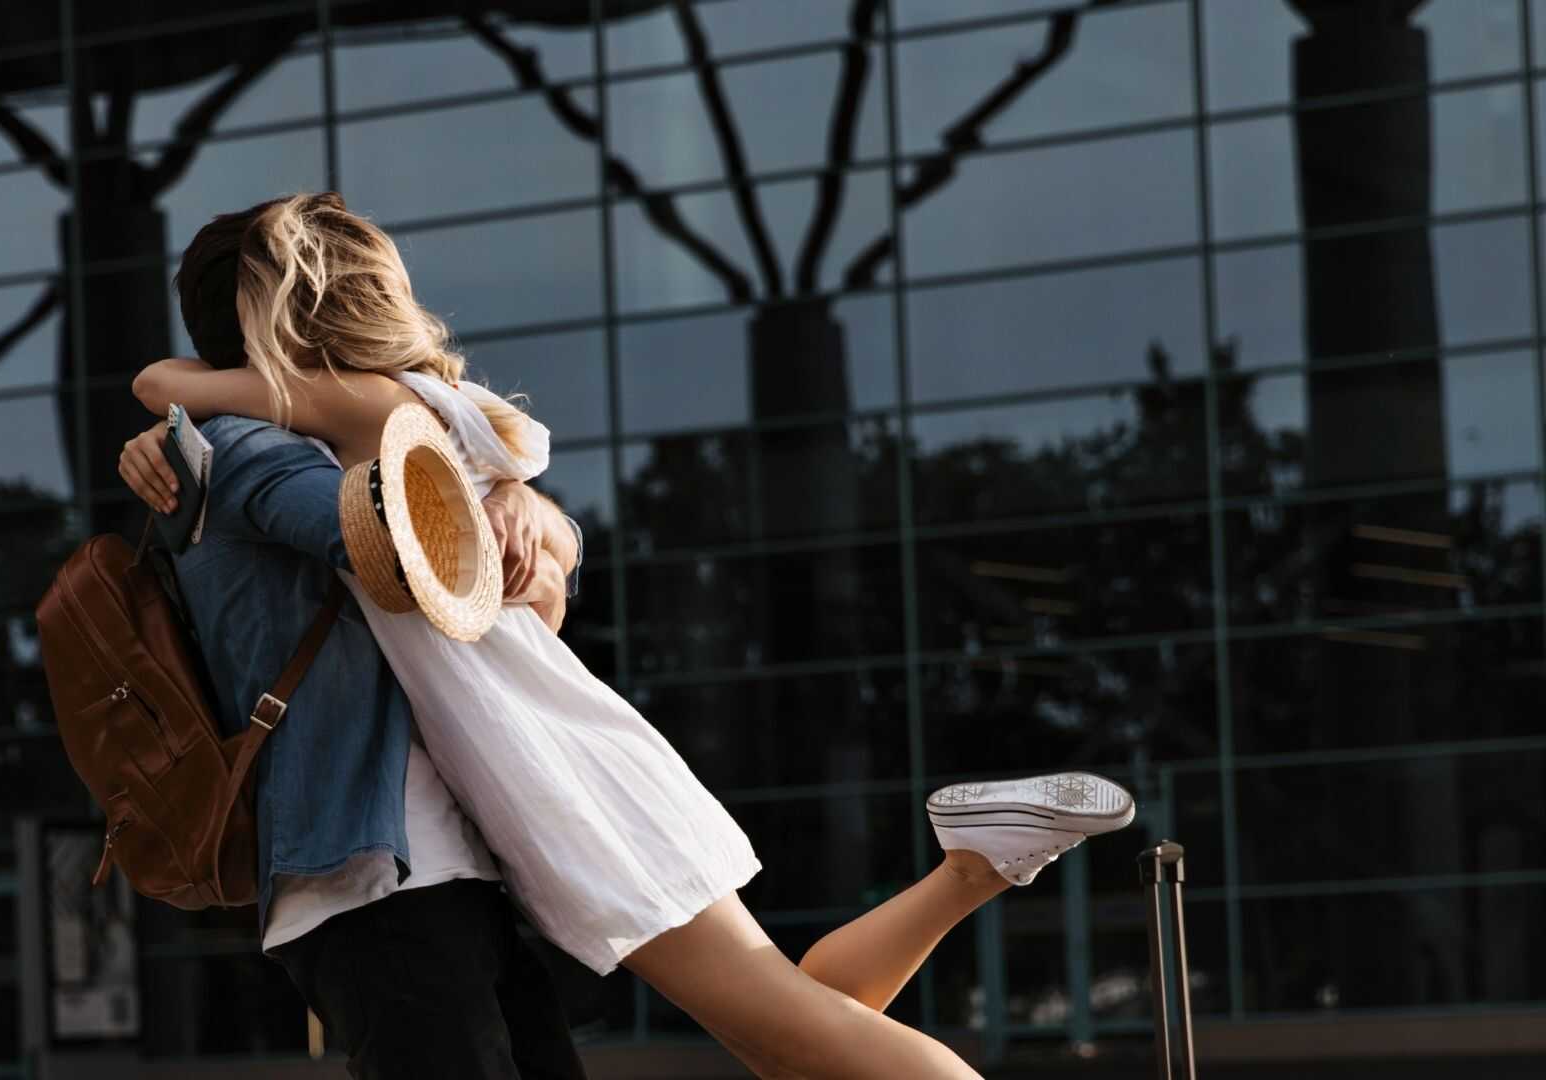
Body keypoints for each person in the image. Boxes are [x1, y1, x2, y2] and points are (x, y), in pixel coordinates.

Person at [120, 192, 1138, 1080]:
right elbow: (523, 578)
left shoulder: (358, 419)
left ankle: (973, 865)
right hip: (562, 754)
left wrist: (176, 403)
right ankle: (970, 866)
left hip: (556, 775)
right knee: (783, 1028)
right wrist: (535, 521)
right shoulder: (441, 419)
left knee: (782, 1023)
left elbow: (212, 410)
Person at [127, 196, 592, 1079]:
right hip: (370, 877)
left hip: (446, 866)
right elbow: (387, 542)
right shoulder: (248, 450)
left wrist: (532, 511)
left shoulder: (284, 438)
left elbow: (500, 590)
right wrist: (486, 489)